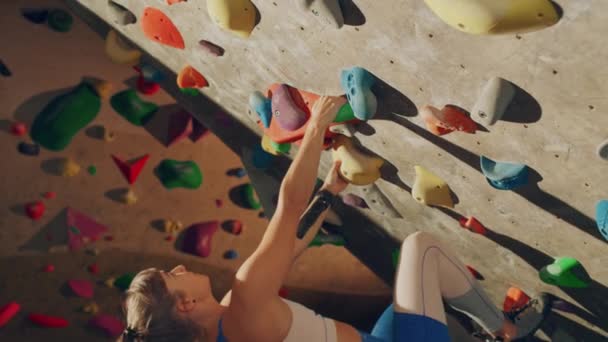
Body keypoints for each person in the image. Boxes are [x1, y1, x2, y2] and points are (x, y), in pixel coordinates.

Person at [119, 96, 551, 342]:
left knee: (415, 284)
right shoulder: (244, 301)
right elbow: (286, 211)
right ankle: (506, 332)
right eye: (170, 275)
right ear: (186, 304)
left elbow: (289, 247)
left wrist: (329, 193)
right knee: (423, 248)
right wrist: (316, 123)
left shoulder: (224, 324)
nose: (178, 267)